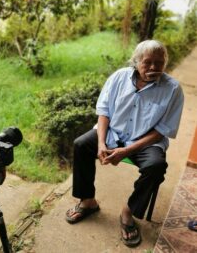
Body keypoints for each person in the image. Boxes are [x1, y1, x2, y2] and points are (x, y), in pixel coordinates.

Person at [65, 40, 184, 247]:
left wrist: (126, 151)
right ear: (136, 62)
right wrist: (102, 143)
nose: (154, 68)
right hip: (112, 134)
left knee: (156, 167)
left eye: (159, 62)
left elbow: (162, 131)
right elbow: (104, 111)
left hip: (145, 142)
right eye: (148, 62)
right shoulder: (119, 77)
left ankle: (128, 212)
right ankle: (88, 201)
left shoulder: (173, 89)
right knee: (82, 144)